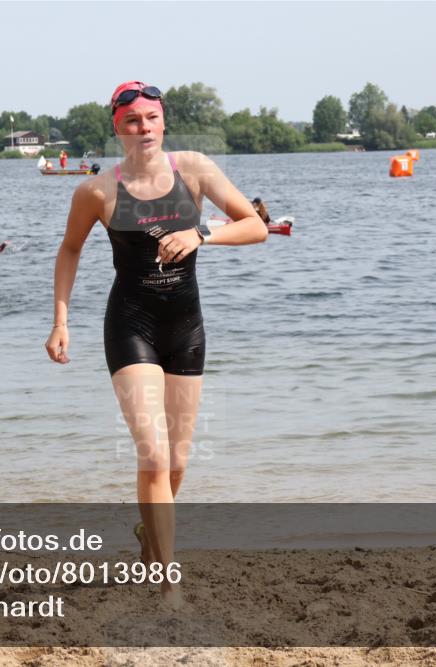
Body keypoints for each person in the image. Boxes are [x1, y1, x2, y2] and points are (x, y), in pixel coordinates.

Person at [44, 80, 267, 609]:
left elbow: (256, 226)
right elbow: (70, 250)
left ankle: (151, 538)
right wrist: (60, 320)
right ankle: (169, 585)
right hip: (131, 325)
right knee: (154, 453)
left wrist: (202, 234)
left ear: (162, 121)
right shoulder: (96, 191)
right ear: (117, 128)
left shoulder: (194, 169)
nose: (143, 128)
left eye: (151, 118)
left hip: (186, 327)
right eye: (131, 121)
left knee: (178, 462)